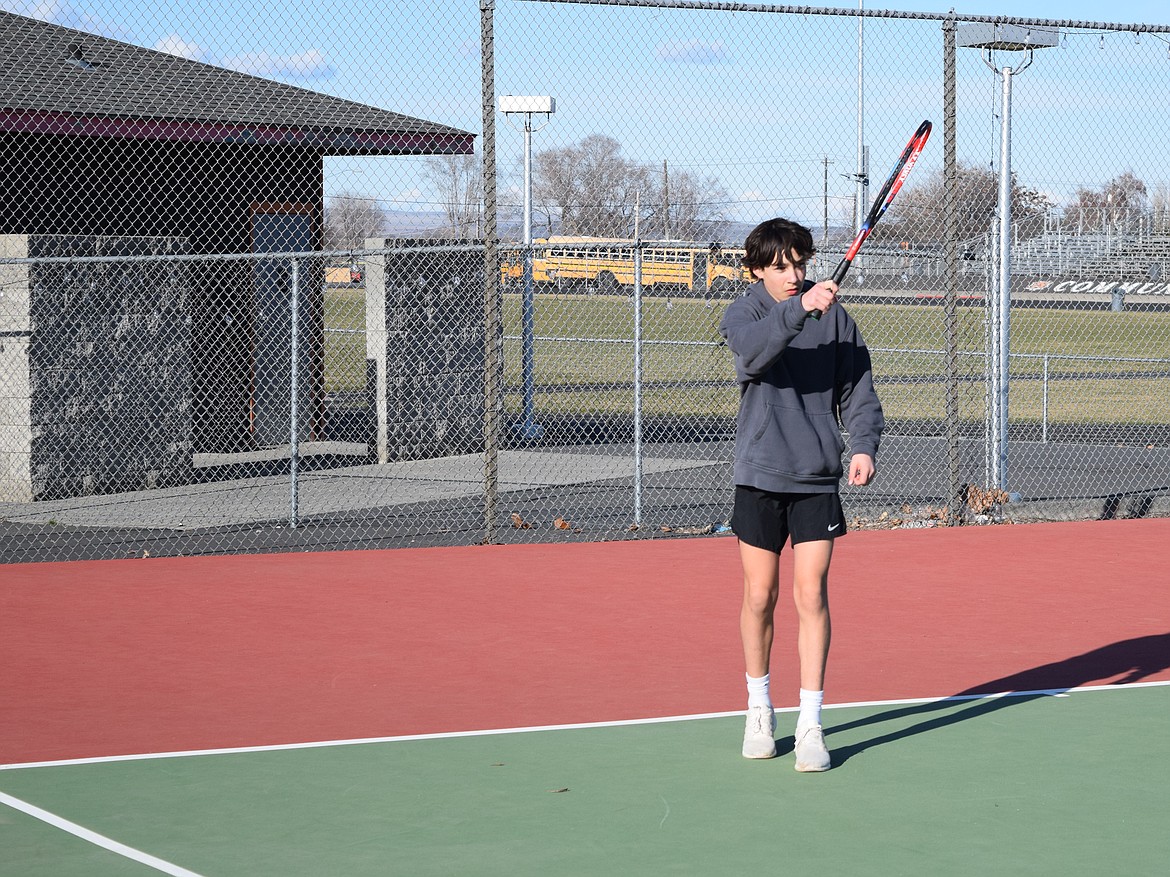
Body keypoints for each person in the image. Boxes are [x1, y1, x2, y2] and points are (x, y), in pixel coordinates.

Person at [718, 217, 884, 772]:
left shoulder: (837, 320)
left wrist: (862, 445)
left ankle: (811, 725)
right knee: (759, 596)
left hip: (815, 478)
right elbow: (754, 356)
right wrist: (800, 308)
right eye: (781, 266)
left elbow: (859, 390)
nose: (793, 275)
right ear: (758, 269)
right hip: (760, 475)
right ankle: (758, 709)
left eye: (800, 263)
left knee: (811, 596)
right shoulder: (744, 313)